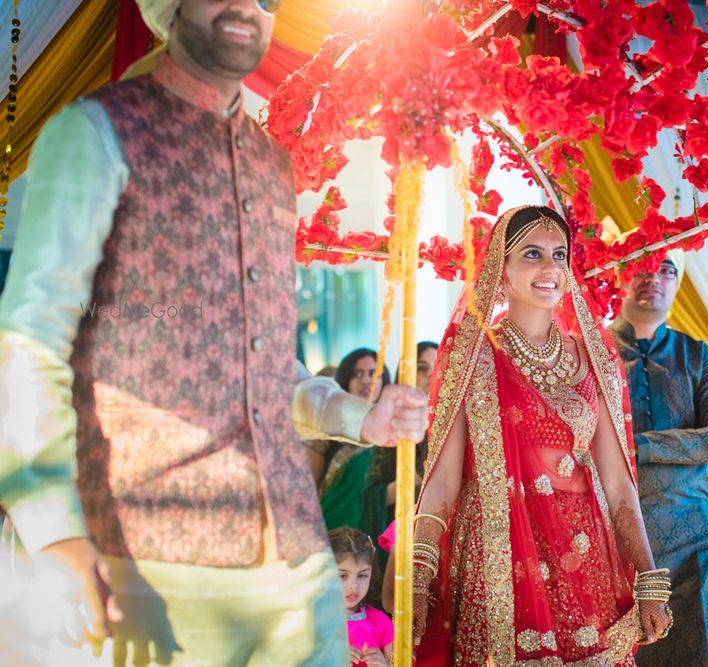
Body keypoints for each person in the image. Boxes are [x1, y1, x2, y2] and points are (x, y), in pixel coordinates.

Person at [0, 1, 428, 664]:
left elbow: (261, 364)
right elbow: (29, 348)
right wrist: (57, 537)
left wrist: (361, 418)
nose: (245, 5)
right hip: (149, 556)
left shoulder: (271, 167)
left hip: (289, 554)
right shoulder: (95, 135)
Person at [393, 205, 672, 665]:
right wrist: (420, 576)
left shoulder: (596, 358)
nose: (550, 268)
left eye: (559, 254)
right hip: (498, 562)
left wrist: (648, 578)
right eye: (532, 254)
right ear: (500, 268)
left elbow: (619, 485)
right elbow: (441, 481)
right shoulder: (472, 355)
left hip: (586, 561)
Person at [609, 252, 708, 667]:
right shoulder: (591, 353)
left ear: (676, 283)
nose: (655, 278)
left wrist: (641, 447)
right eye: (641, 267)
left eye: (666, 270)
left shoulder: (696, 354)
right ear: (617, 277)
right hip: (615, 538)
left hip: (697, 541)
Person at [360, 341, 439, 553]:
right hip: (399, 540)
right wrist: (413, 479)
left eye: (439, 364)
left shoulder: (457, 423)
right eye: (422, 368)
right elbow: (368, 498)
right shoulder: (390, 427)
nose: (432, 374)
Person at [306, 348, 392, 531]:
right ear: (346, 380)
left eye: (373, 374)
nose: (367, 380)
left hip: (379, 533)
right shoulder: (325, 430)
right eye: (357, 374)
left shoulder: (395, 433)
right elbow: (308, 491)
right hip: (332, 533)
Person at [329, 527, 393, 667]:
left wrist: (384, 665)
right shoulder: (311, 621)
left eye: (362, 575)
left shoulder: (381, 622)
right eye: (342, 576)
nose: (353, 586)